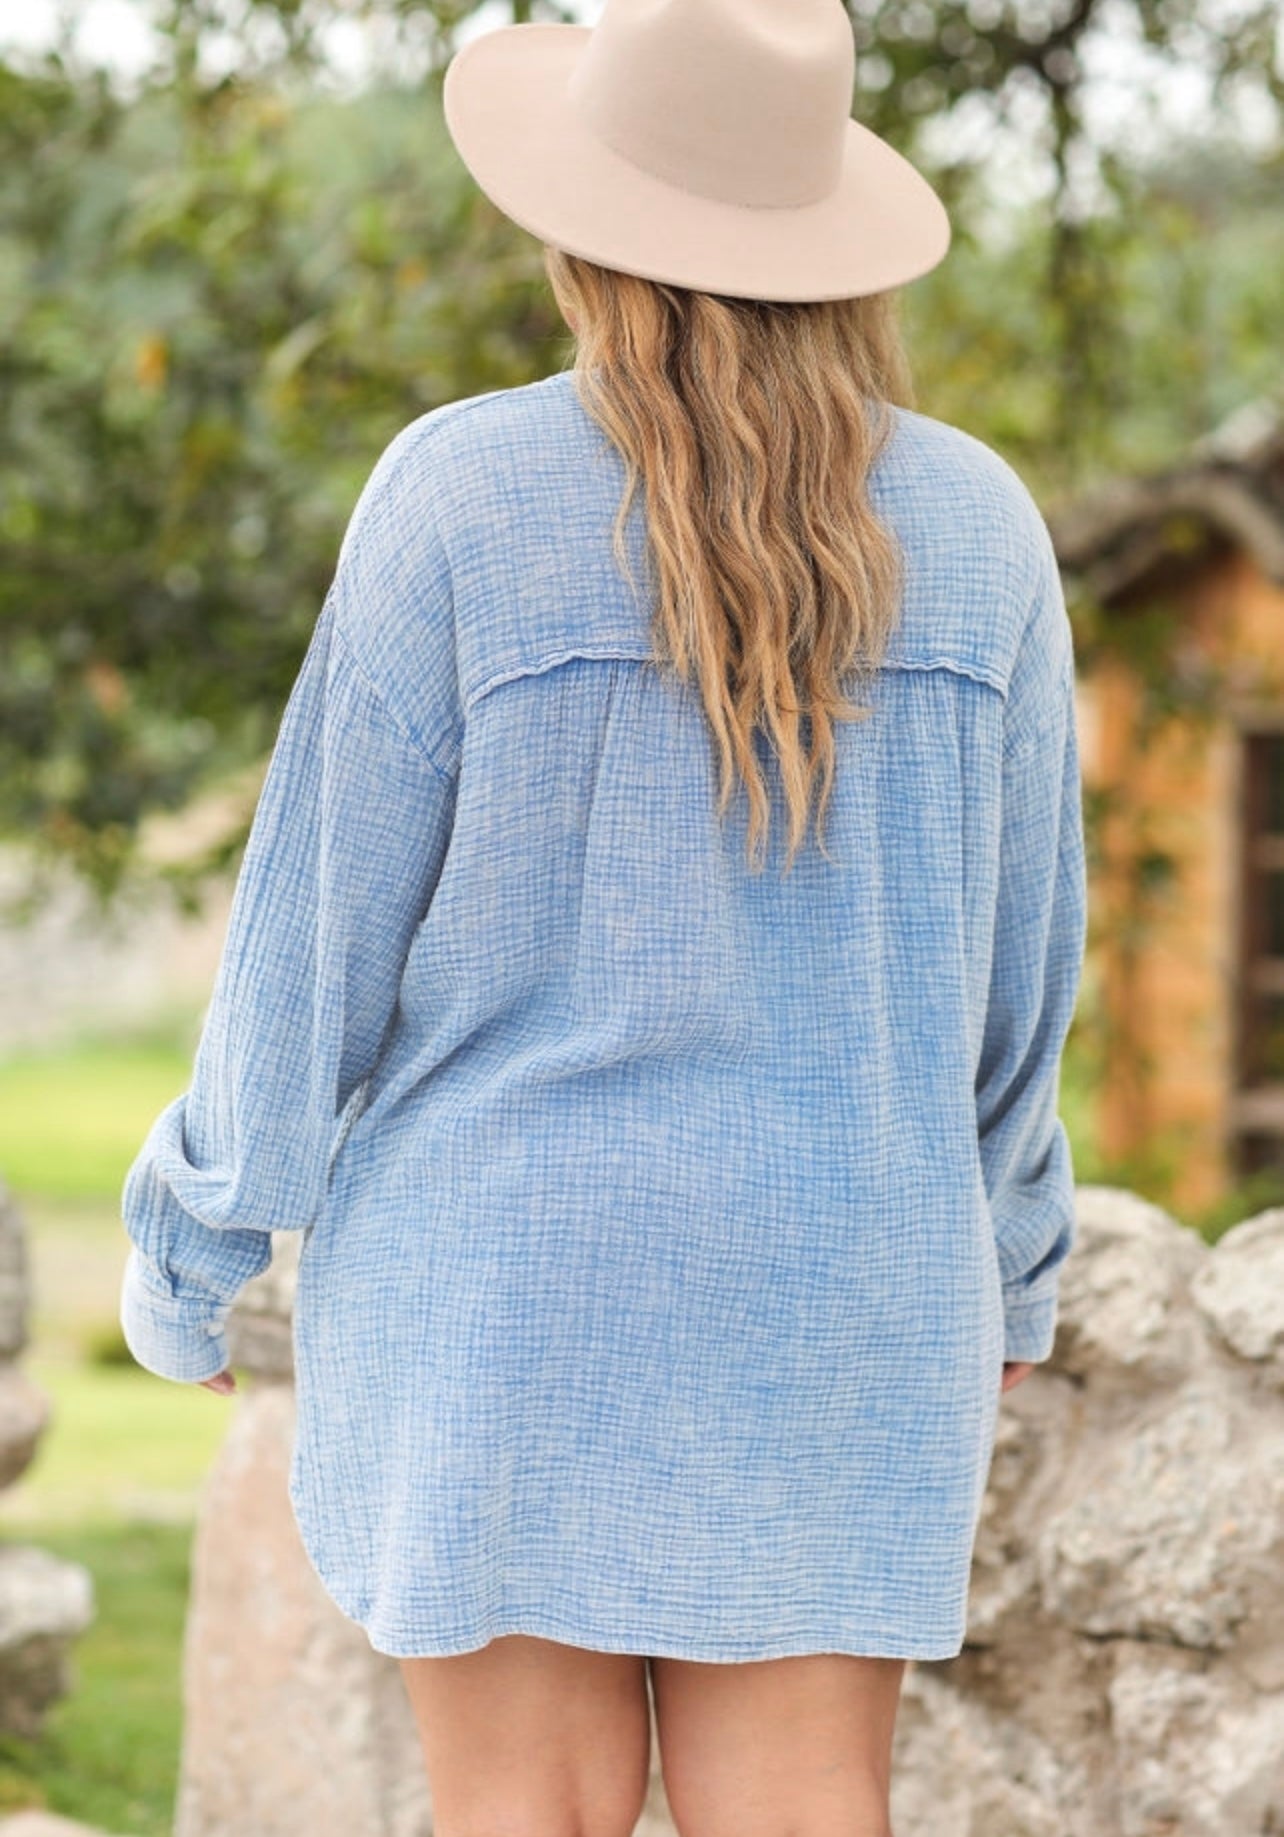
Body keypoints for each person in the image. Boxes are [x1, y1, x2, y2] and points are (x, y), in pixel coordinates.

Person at [118, 1, 1088, 1833]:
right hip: (847, 1287)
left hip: (507, 1293)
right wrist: (1015, 1258)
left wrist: (194, 1247)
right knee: (809, 1813)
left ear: (581, 228)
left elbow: (310, 935)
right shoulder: (984, 529)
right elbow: (1020, 985)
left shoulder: (459, 499)